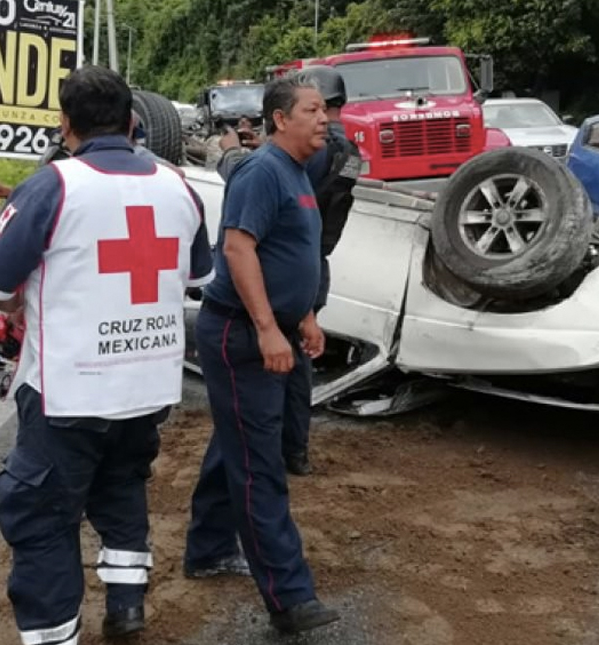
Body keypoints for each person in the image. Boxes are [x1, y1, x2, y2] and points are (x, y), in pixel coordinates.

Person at [0, 66, 213, 643]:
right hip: (148, 387)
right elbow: (197, 275)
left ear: (65, 124)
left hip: (69, 391)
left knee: (42, 515)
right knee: (122, 489)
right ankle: (127, 608)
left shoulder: (54, 185)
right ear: (132, 123)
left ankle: (53, 635)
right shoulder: (178, 185)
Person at [183, 74, 341, 634]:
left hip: (275, 328)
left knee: (238, 444)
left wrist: (305, 316)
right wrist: (269, 329)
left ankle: (205, 549)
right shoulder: (261, 171)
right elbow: (238, 247)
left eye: (325, 110)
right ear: (280, 119)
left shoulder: (297, 173)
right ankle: (289, 596)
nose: (325, 119)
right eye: (313, 109)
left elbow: (291, 253)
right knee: (259, 464)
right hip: (240, 334)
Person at [214, 64, 362, 476]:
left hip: (282, 274)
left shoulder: (310, 154)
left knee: (287, 373)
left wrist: (230, 154)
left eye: (316, 109)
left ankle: (288, 452)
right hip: (310, 264)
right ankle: (289, 451)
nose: (316, 120)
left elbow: (262, 182)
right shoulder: (349, 150)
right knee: (290, 371)